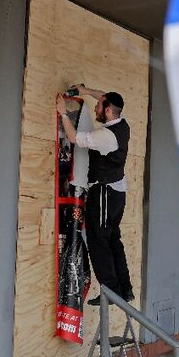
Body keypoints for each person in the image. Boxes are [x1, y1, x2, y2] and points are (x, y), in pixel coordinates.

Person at [55, 84, 133, 305]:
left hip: (104, 193)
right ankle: (124, 289)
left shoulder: (106, 136)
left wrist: (62, 112)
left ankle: (110, 291)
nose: (96, 107)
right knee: (113, 240)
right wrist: (86, 91)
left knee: (99, 242)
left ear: (108, 111)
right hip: (116, 193)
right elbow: (107, 97)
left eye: (99, 106)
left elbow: (73, 137)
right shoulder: (122, 124)